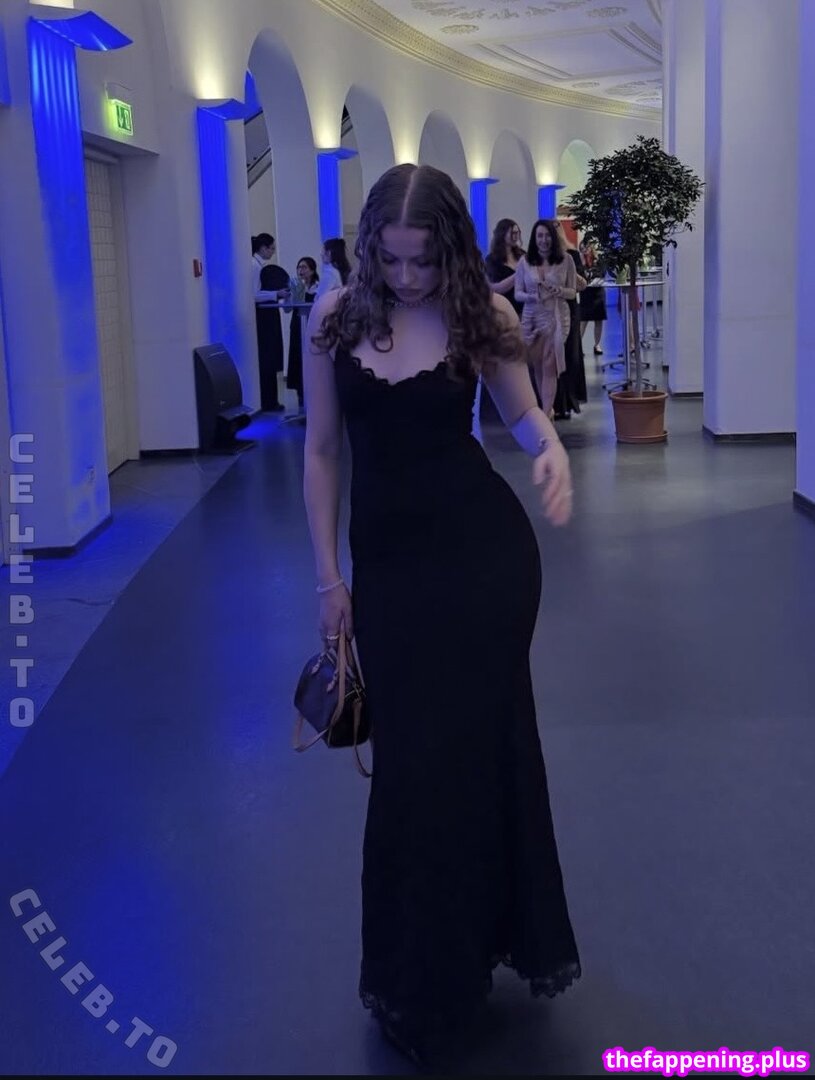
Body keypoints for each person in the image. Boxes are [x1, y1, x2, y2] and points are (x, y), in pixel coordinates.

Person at [302, 164, 580, 1067]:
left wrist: (550, 451)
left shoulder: (481, 314)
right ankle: (420, 967)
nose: (409, 276)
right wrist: (327, 581)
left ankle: (465, 957)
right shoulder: (333, 319)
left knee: (479, 754)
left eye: (423, 259)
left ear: (450, 248)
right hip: (389, 576)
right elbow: (321, 452)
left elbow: (522, 413)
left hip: (483, 565)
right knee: (413, 772)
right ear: (369, 248)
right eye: (391, 259)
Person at [514, 219, 578, 419]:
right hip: (531, 317)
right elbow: (517, 293)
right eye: (540, 236)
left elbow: (573, 291)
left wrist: (559, 291)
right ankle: (547, 408)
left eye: (547, 235)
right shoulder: (524, 262)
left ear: (553, 237)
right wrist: (531, 297)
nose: (544, 240)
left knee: (550, 362)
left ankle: (544, 415)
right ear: (534, 238)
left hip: (557, 316)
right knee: (538, 364)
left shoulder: (566, 260)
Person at [553, 222, 588, 419]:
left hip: (569, 309)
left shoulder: (571, 255)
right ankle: (556, 402)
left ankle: (569, 400)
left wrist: (569, 271)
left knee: (570, 355)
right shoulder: (543, 259)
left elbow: (581, 284)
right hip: (551, 309)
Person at [252, 233, 290, 412]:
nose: (273, 252)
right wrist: (276, 294)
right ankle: (268, 401)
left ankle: (271, 400)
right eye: (271, 248)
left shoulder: (259, 266)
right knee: (267, 359)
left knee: (270, 358)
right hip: (263, 317)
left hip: (267, 315)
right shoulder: (254, 267)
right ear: (263, 248)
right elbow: (254, 294)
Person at [286, 256, 320, 410]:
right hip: (297, 326)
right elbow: (288, 309)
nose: (301, 270)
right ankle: (300, 394)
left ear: (312, 270)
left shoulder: (318, 287)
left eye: (304, 267)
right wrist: (292, 295)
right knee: (297, 358)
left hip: (312, 326)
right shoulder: (295, 286)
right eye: (299, 267)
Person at [485, 218, 525, 318]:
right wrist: (518, 273)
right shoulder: (492, 260)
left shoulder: (522, 255)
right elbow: (496, 288)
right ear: (502, 234)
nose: (516, 236)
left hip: (525, 309)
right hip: (505, 311)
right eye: (513, 233)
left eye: (517, 232)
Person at [578, 238, 607, 356]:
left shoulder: (599, 260)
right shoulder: (580, 262)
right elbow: (578, 275)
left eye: (586, 248)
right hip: (586, 293)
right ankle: (578, 347)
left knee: (598, 320)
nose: (584, 251)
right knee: (583, 320)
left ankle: (597, 345)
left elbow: (602, 273)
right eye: (581, 249)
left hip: (598, 293)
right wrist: (582, 264)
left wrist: (596, 278)